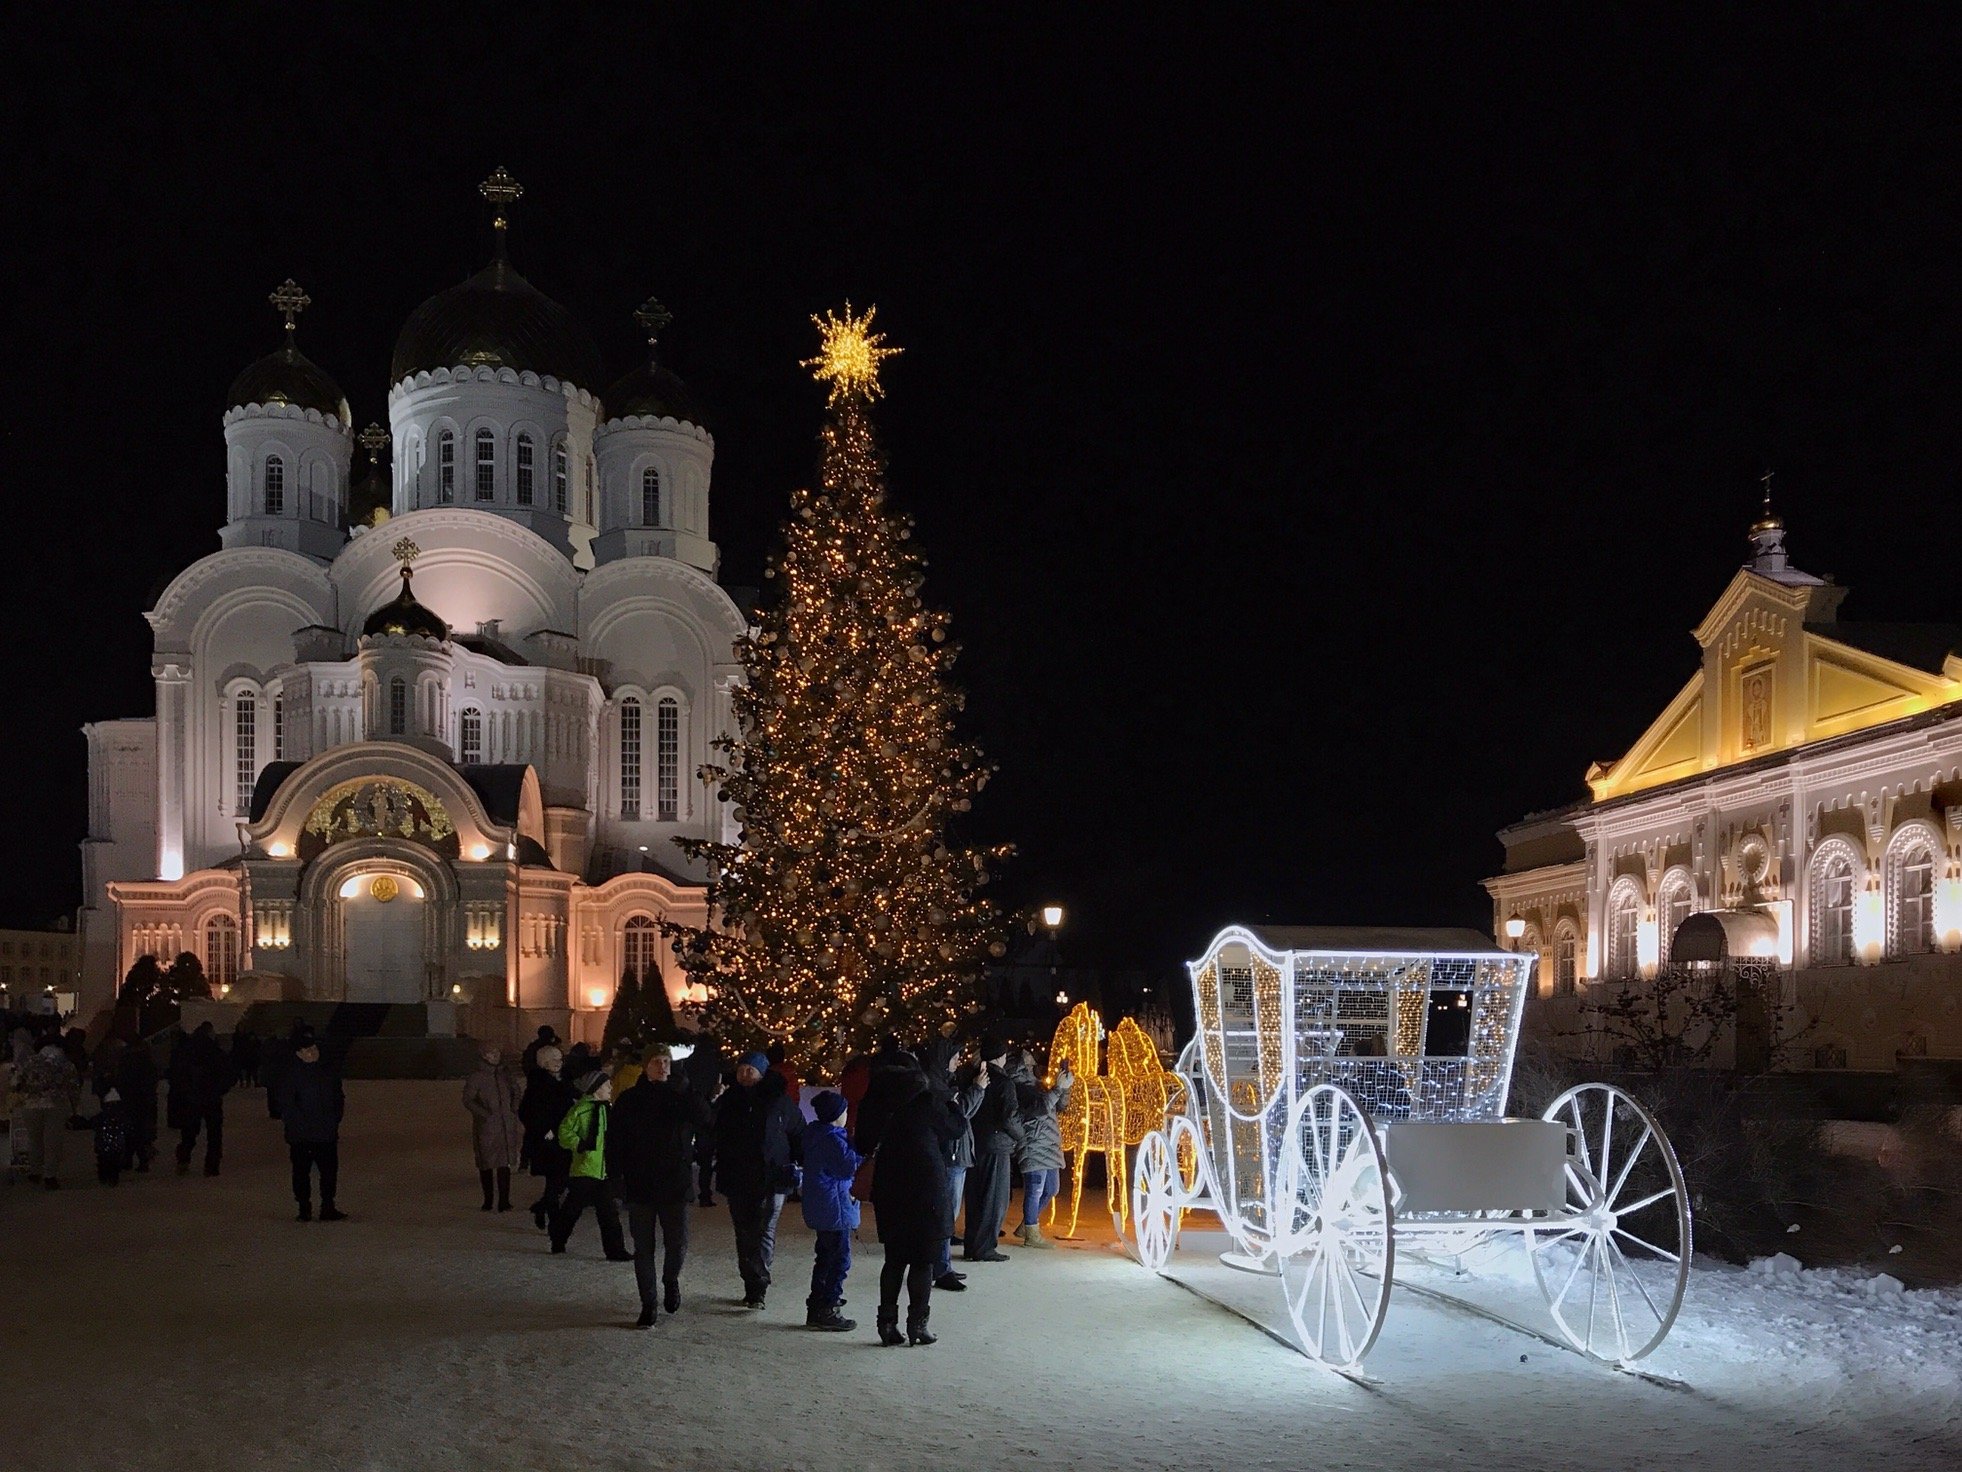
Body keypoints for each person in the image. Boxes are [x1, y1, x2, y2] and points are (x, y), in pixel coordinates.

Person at [857, 1047, 968, 1346]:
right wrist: (955, 1106)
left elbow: (862, 1143)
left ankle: (886, 1324)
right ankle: (918, 1325)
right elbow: (955, 1129)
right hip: (925, 1183)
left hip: (890, 1183)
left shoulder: (873, 1101)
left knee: (894, 1259)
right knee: (923, 1260)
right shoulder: (927, 1098)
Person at [609, 1043, 712, 1327]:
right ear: (646, 1066)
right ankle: (648, 1303)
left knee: (677, 1243)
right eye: (656, 1061)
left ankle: (670, 1280)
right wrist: (615, 1180)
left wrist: (687, 1089)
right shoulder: (630, 1099)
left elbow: (705, 1118)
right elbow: (615, 1141)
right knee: (644, 1247)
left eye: (665, 1060)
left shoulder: (681, 1095)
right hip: (640, 1181)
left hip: (674, 1182)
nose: (662, 1066)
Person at [711, 1050, 804, 1309]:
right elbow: (712, 1128)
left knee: (764, 1231)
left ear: (761, 1073)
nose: (743, 1074)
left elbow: (797, 1132)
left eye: (749, 1070)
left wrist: (798, 1162)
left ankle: (758, 1286)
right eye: (741, 1070)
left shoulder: (779, 1101)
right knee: (743, 1232)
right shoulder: (729, 1099)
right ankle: (750, 1281)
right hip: (737, 1175)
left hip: (771, 1176)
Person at [922, 1037, 984, 1289]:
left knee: (949, 1214)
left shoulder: (946, 1084)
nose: (959, 1061)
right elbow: (958, 1117)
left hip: (955, 1157)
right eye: (954, 1056)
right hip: (949, 1158)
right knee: (945, 1215)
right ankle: (939, 1268)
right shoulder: (937, 1088)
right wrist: (977, 1090)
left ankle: (943, 1264)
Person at [549, 1071, 629, 1260]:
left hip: (603, 1171)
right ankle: (558, 1239)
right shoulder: (581, 1110)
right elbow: (564, 1132)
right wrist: (579, 1144)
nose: (610, 1088)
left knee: (609, 1214)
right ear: (596, 1088)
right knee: (572, 1209)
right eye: (607, 1085)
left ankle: (615, 1250)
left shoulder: (608, 1109)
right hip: (584, 1170)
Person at [800, 1090, 862, 1331]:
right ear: (838, 1115)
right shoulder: (833, 1139)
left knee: (826, 1256)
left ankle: (818, 1304)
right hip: (834, 1207)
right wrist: (860, 1153)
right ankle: (827, 1306)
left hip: (824, 1205)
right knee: (838, 1259)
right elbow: (848, 1167)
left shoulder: (817, 1134)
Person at [961, 1035, 1023, 1262]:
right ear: (1002, 1057)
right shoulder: (1005, 1084)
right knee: (994, 1199)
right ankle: (984, 1247)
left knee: (976, 1196)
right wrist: (1020, 1136)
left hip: (975, 1142)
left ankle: (973, 1243)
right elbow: (1010, 1117)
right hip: (997, 1146)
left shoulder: (974, 1077)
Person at [274, 1027, 345, 1221]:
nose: (312, 1053)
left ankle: (328, 1206)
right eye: (307, 1050)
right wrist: (299, 1127)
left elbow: (338, 1098)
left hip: (326, 1132)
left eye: (314, 1049)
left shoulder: (327, 1072)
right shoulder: (291, 1076)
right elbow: (287, 1106)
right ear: (298, 1054)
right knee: (301, 1173)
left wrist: (334, 1119)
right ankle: (304, 1207)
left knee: (329, 1172)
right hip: (302, 1136)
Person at [1009, 1049, 1073, 1248]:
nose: (1033, 1062)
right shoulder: (1019, 1087)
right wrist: (1056, 1089)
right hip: (1034, 1143)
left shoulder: (1036, 1085)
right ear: (1021, 1065)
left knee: (1051, 1189)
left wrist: (1064, 1087)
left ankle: (1028, 1225)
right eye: (1028, 1060)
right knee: (1035, 1190)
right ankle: (1031, 1233)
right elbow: (1040, 1108)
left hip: (1049, 1144)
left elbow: (1058, 1106)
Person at [462, 1044, 523, 1212]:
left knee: (504, 1165)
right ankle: (488, 1200)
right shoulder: (477, 1077)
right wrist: (485, 1114)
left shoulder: (504, 1074)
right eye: (491, 1053)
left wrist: (513, 1108)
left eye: (496, 1052)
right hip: (488, 1126)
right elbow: (468, 1100)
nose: (495, 1055)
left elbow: (515, 1091)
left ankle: (504, 1201)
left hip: (506, 1125)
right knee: (487, 1164)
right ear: (484, 1056)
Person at [168, 1021, 233, 1177]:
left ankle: (183, 1160)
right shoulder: (215, 1052)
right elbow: (228, 1073)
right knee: (214, 1135)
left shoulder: (187, 1051)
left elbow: (176, 1074)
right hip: (211, 1098)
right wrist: (220, 1090)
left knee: (189, 1133)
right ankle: (211, 1167)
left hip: (192, 1098)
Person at [519, 1044, 573, 1228]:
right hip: (547, 1141)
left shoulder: (564, 1080)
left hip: (564, 1135)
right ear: (543, 1063)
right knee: (556, 1179)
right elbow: (527, 1112)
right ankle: (553, 1218)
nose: (558, 1063)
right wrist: (544, 1130)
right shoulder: (538, 1084)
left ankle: (543, 1208)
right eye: (553, 1060)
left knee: (561, 1180)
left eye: (559, 1059)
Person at [17, 1040, 80, 1188]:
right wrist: (74, 1108)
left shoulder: (30, 1062)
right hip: (56, 1104)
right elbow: (73, 1087)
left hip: (30, 1104)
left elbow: (19, 1081)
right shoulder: (65, 1064)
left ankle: (34, 1171)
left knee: (34, 1139)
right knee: (53, 1141)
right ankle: (50, 1175)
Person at [677, 1033, 725, 1205]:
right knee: (706, 1157)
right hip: (708, 1111)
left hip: (689, 1112)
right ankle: (705, 1194)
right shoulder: (717, 1063)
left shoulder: (688, 1063)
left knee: (686, 1155)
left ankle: (687, 1191)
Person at [114, 1034, 159, 1172]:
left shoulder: (125, 1059)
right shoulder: (146, 1059)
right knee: (142, 1131)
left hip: (129, 1098)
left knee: (129, 1130)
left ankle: (128, 1159)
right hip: (144, 1099)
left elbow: (120, 1079)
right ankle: (143, 1159)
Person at [93, 1087, 133, 1185]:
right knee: (114, 1162)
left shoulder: (101, 1116)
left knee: (104, 1161)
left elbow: (93, 1124)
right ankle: (112, 1177)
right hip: (116, 1144)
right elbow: (128, 1127)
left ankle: (105, 1176)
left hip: (103, 1144)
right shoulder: (122, 1116)